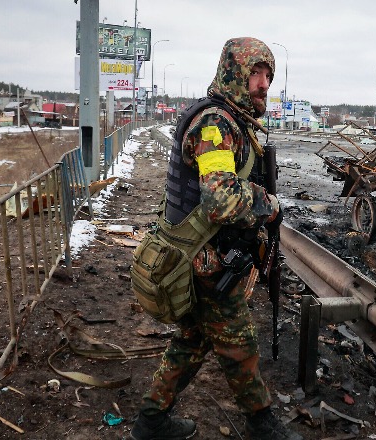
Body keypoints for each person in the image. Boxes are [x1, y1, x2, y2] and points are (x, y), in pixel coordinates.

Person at [130, 37, 301, 440]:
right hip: (201, 259)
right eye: (255, 73)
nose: (263, 84)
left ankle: (150, 421)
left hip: (202, 254)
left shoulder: (233, 121)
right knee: (237, 340)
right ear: (233, 74)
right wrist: (271, 204)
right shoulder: (216, 124)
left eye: (268, 76)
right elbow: (221, 199)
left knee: (192, 340)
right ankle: (261, 422)